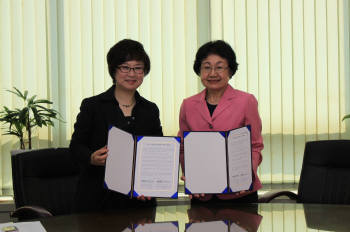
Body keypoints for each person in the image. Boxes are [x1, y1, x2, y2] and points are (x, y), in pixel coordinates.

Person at [70, 39, 163, 212]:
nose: (132, 74)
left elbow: (157, 152)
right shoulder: (93, 106)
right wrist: (91, 158)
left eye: (138, 68)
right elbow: (75, 147)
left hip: (140, 202)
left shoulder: (150, 110)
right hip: (98, 200)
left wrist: (151, 185)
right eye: (125, 67)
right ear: (114, 70)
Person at [178, 40, 263, 203]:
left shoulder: (246, 101)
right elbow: (183, 147)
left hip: (239, 193)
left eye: (219, 67)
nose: (212, 73)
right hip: (201, 194)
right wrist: (191, 176)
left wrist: (246, 177)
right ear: (199, 70)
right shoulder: (188, 105)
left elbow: (255, 145)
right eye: (207, 67)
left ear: (230, 70)